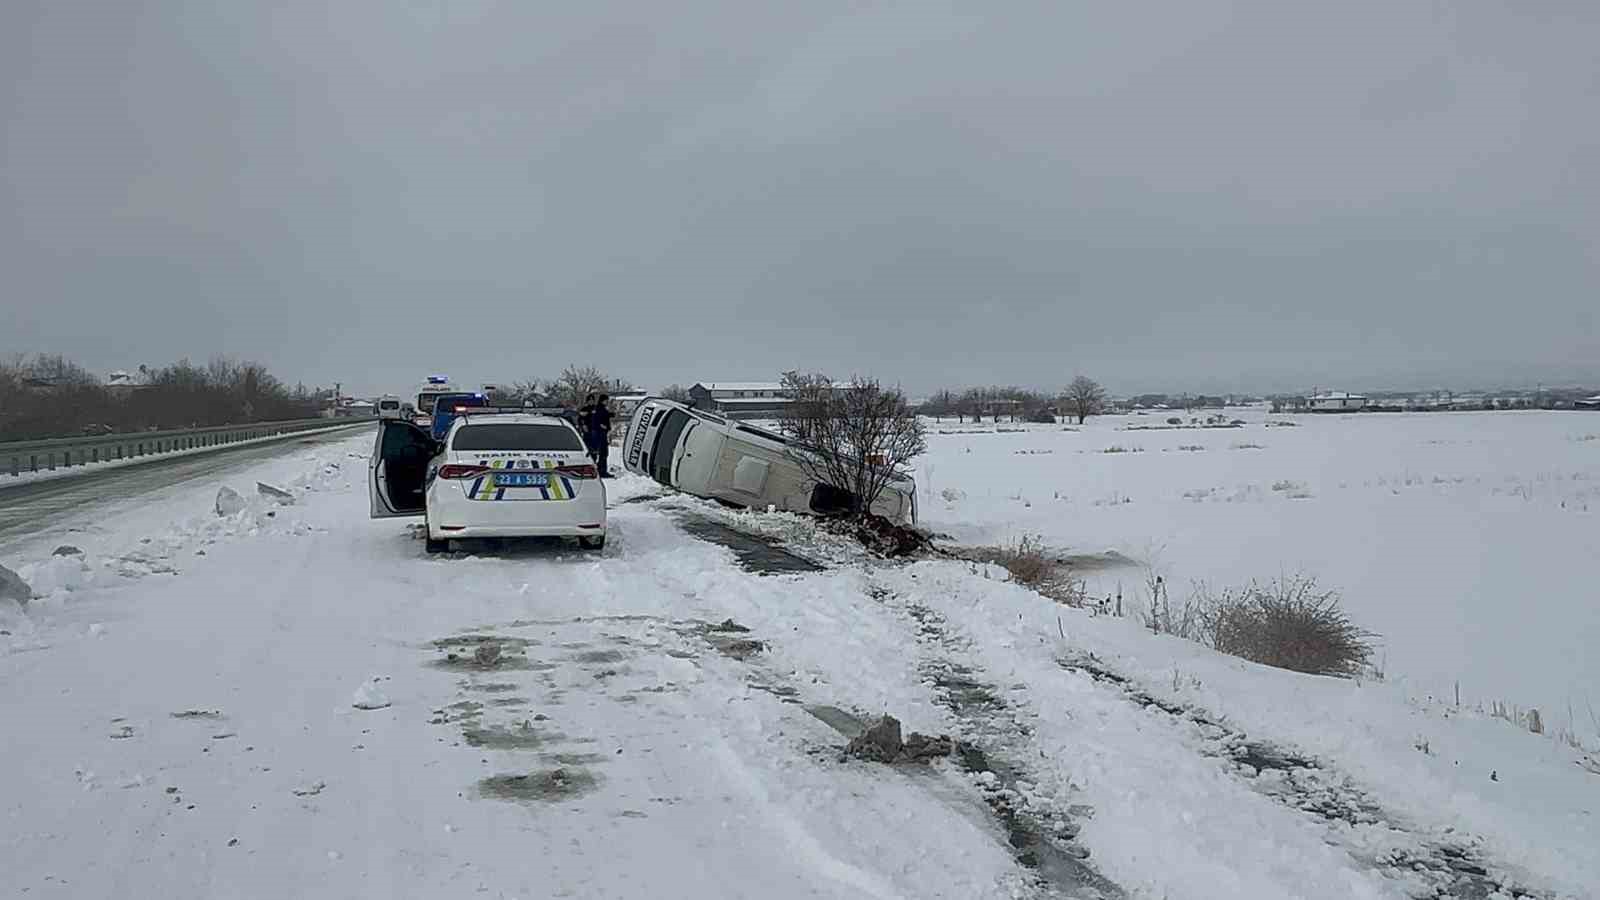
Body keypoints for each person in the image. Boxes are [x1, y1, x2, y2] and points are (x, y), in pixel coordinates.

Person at [587, 394, 614, 477]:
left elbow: (605, 415)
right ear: (603, 400)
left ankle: (598, 469)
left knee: (598, 452)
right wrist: (602, 426)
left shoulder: (600, 408)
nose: (607, 402)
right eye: (606, 400)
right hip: (600, 433)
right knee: (603, 453)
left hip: (599, 433)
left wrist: (611, 414)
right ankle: (602, 471)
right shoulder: (599, 409)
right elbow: (597, 419)